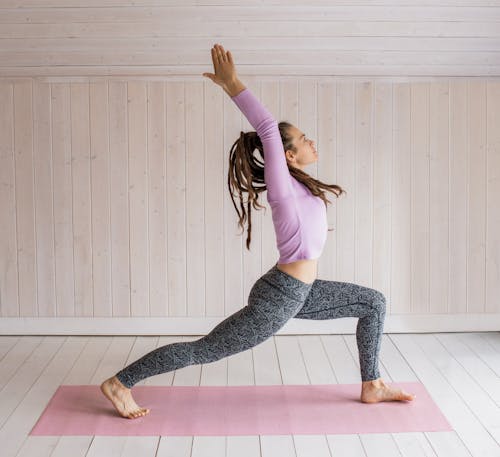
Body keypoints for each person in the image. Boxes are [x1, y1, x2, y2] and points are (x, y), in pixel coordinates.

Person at [101, 43, 415, 419]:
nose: (311, 142)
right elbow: (267, 127)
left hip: (303, 292)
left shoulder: (300, 187)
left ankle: (372, 385)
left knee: (374, 303)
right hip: (280, 297)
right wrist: (232, 85)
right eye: (303, 139)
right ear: (288, 156)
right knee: (207, 349)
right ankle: (120, 383)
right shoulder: (283, 188)